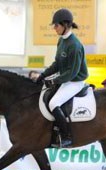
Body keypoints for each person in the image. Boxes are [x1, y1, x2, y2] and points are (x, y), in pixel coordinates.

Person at [33, 8, 88, 148]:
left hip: (75, 82)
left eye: (56, 25)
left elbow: (72, 73)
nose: (54, 28)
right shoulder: (61, 41)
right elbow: (57, 64)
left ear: (65, 25)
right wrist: (43, 75)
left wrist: (54, 80)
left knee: (53, 103)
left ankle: (67, 136)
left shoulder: (75, 45)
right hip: (65, 79)